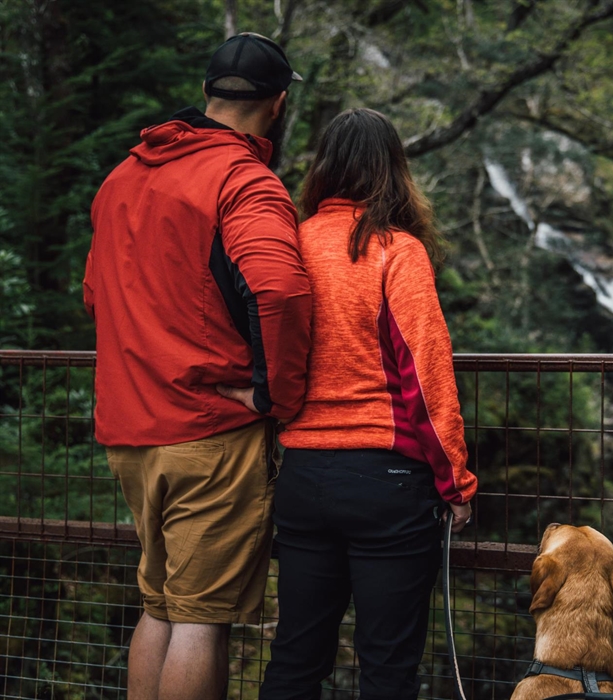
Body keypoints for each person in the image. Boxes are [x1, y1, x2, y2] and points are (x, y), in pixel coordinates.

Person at [82, 33, 312, 700]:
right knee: (200, 621)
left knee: (160, 604)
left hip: (130, 432)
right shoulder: (243, 181)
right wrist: (276, 393)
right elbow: (281, 290)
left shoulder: (123, 177)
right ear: (278, 104)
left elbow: (96, 296)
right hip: (208, 433)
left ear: (208, 92)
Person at [250, 108, 477, 700]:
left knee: (296, 658)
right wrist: (455, 484)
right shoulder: (396, 251)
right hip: (386, 483)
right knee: (387, 667)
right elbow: (426, 377)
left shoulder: (289, 244)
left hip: (302, 478)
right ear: (392, 172)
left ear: (323, 169)